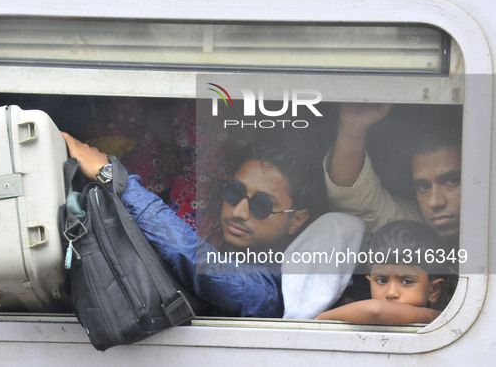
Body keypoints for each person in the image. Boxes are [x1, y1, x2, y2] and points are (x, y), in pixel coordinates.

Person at [61, 132, 365, 319]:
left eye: (262, 205)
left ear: (296, 219)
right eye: (233, 193)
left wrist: (115, 179)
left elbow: (196, 260)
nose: (240, 212)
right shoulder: (216, 242)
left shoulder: (271, 290)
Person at [325, 103, 461, 245]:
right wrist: (352, 129)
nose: (435, 202)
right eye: (424, 187)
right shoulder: (419, 226)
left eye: (452, 181)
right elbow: (358, 202)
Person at [315, 220, 447, 325]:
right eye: (382, 281)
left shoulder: (435, 318)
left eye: (406, 281)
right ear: (370, 282)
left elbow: (376, 311)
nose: (391, 293)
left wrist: (323, 317)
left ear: (433, 290)